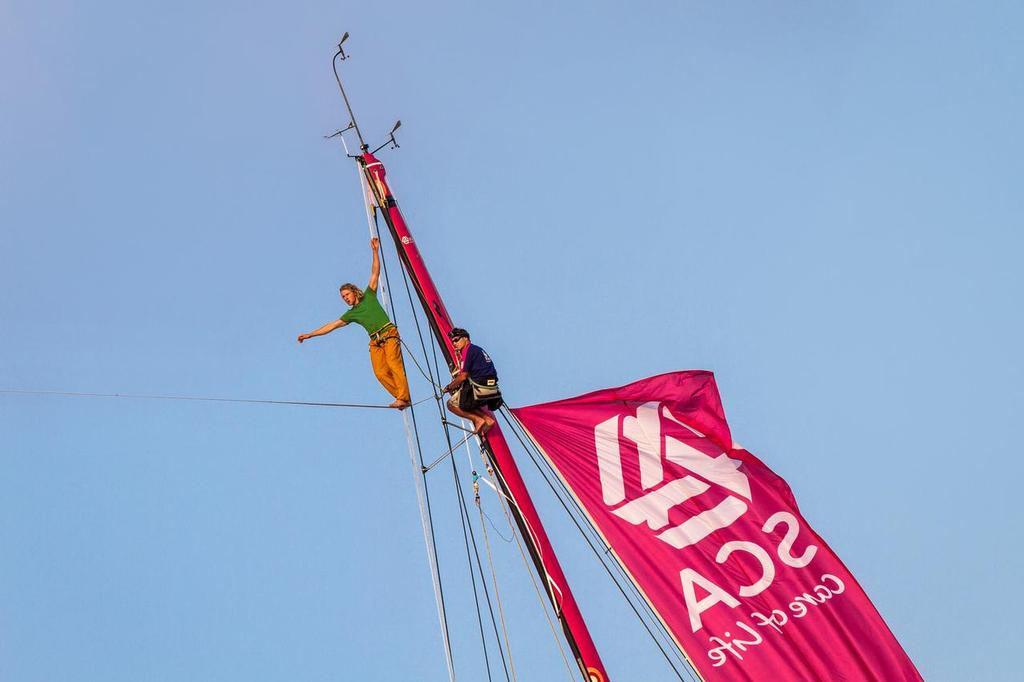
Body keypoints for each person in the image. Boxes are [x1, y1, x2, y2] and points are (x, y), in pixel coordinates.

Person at [297, 238, 411, 409]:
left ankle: (403, 396)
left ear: (354, 291)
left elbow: (375, 273)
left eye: (347, 295)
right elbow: (332, 325)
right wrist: (310, 334)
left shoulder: (368, 296)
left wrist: (374, 252)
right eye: (343, 297)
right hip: (375, 341)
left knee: (394, 363)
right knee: (380, 372)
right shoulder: (351, 314)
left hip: (388, 334)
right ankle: (401, 397)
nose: (345, 299)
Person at [443, 328, 502, 434]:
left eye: (457, 340)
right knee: (465, 401)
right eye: (453, 342)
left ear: (466, 338)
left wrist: (449, 387)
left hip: (480, 388)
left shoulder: (468, 351)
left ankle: (478, 419)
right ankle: (487, 419)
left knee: (451, 404)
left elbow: (463, 376)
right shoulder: (477, 349)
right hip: (493, 390)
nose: (454, 344)